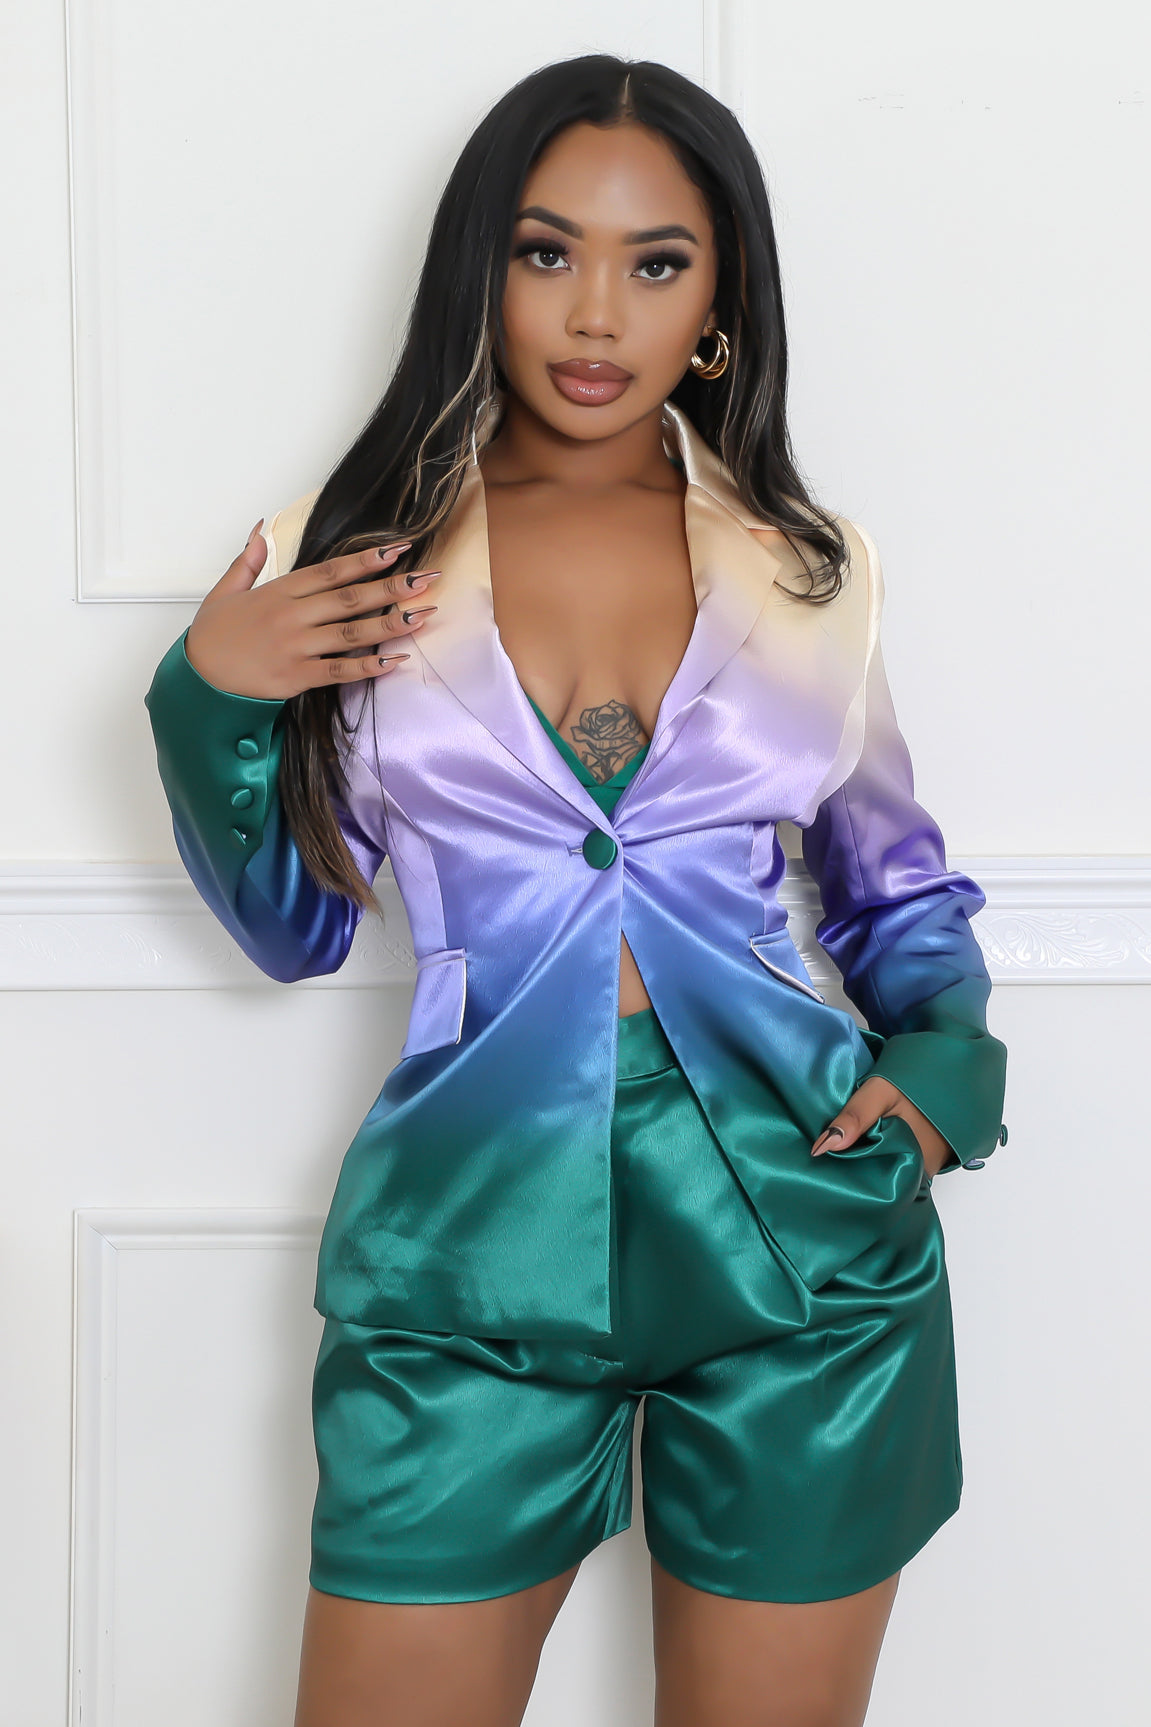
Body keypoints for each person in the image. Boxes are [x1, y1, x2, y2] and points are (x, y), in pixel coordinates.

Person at [144, 54, 1008, 1727]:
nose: (596, 313)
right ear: (482, 268)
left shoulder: (810, 567)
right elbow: (294, 931)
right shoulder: (352, 549)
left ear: (721, 300)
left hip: (803, 1245)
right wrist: (214, 700)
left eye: (656, 261)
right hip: (468, 1252)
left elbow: (895, 890)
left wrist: (943, 1073)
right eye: (547, 252)